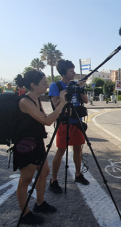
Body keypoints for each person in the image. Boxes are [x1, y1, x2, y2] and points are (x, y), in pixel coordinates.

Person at [13, 70, 67, 224]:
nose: (46, 86)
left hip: (37, 143)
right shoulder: (25, 101)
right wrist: (61, 104)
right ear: (33, 85)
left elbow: (45, 119)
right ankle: (25, 214)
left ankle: (40, 204)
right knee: (26, 179)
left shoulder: (36, 99)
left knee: (44, 172)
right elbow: (47, 121)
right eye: (44, 83)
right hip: (26, 145)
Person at [48, 59, 89, 194]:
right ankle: (54, 180)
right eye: (71, 71)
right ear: (64, 72)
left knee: (78, 149)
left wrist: (80, 88)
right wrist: (67, 93)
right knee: (60, 151)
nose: (74, 73)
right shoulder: (56, 86)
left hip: (77, 122)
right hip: (64, 123)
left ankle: (78, 175)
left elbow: (85, 100)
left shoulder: (75, 85)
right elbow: (56, 105)